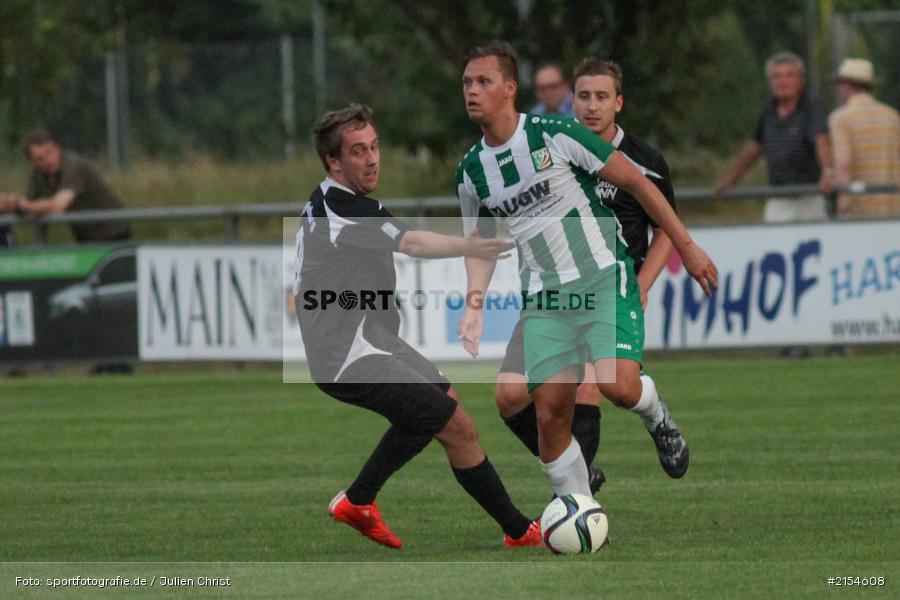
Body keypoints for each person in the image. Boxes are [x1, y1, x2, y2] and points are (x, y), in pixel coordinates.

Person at [456, 41, 717, 500]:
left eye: (483, 82)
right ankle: (580, 505)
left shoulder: (555, 134)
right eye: (467, 83)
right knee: (544, 410)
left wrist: (687, 247)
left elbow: (636, 181)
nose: (472, 91)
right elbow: (479, 245)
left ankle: (656, 416)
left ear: (510, 89)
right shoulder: (471, 171)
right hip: (545, 300)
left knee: (616, 386)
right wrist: (473, 304)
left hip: (601, 279)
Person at [293, 104, 542, 550]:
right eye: (357, 151)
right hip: (348, 353)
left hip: (371, 340)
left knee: (443, 402)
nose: (372, 159)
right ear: (333, 161)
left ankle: (359, 499)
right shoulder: (341, 207)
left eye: (374, 147)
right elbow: (412, 242)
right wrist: (468, 245)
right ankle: (520, 531)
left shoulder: (340, 201)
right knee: (455, 424)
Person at [494, 58, 678, 489]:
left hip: (607, 289)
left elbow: (665, 227)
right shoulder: (552, 152)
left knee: (596, 387)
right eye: (583, 96)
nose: (591, 106)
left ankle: (580, 496)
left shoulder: (644, 161)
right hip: (550, 292)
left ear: (619, 102)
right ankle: (579, 470)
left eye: (601, 97)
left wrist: (641, 284)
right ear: (569, 101)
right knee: (509, 397)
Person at [713, 52, 834, 223]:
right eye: (777, 76)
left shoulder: (811, 106)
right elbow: (754, 147)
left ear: (801, 80)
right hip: (778, 196)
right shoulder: (769, 109)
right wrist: (729, 180)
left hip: (809, 197)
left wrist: (828, 172)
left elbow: (821, 140)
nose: (783, 82)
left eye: (790, 75)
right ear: (770, 83)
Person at [4, 129, 130, 243]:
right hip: (84, 236)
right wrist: (9, 203)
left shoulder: (74, 166)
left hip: (113, 232)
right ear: (32, 161)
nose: (49, 160)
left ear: (57, 147)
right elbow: (27, 201)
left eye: (50, 152)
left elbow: (58, 206)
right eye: (40, 158)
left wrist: (20, 205)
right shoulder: (38, 173)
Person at [828, 58, 900, 218]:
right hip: (893, 206)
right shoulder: (893, 116)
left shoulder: (840, 118)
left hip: (860, 210)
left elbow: (843, 164)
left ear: (846, 85)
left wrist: (842, 206)